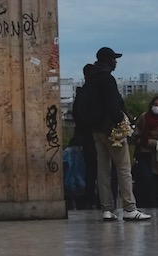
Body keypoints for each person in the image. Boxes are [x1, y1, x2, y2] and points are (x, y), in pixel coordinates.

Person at [79, 46, 151, 221]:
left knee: (103, 170)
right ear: (107, 60)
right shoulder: (107, 78)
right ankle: (129, 208)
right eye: (113, 59)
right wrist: (121, 120)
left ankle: (107, 208)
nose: (115, 62)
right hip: (112, 130)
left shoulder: (90, 79)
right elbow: (113, 105)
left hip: (96, 130)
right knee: (124, 168)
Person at [132, 94, 158, 208]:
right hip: (143, 155)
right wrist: (142, 141)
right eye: (155, 104)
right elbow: (136, 134)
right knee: (145, 180)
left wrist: (145, 141)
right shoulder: (144, 117)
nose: (157, 107)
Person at [71, 63, 100, 209]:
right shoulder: (95, 92)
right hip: (95, 134)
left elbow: (76, 114)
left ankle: (90, 199)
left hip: (85, 136)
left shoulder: (81, 93)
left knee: (90, 169)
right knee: (101, 168)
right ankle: (100, 199)